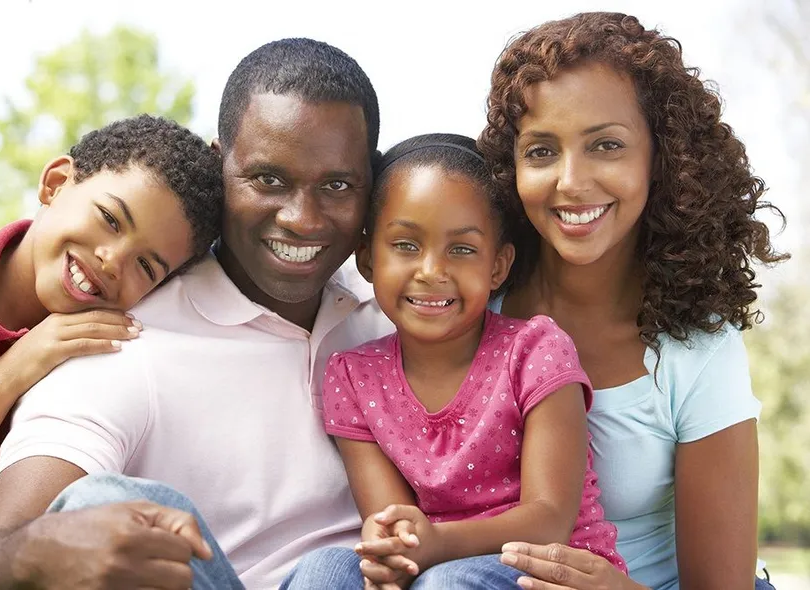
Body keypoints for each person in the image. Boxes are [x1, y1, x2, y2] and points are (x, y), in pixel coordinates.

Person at [0, 38, 391, 590]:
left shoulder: (404, 306)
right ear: (219, 164)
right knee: (97, 501)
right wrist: (41, 548)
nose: (302, 219)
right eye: (268, 179)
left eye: (337, 185)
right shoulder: (122, 345)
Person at [476, 12, 787, 590]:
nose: (571, 181)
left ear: (661, 158)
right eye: (541, 151)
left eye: (606, 146)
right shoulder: (476, 309)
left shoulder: (696, 346)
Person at [281, 133, 626, 590]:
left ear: (498, 267)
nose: (431, 271)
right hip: (430, 567)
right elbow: (389, 520)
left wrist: (435, 543)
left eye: (462, 250)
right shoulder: (352, 376)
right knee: (322, 571)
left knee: (447, 585)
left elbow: (549, 521)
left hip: (547, 570)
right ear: (367, 259)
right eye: (405, 245)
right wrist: (391, 550)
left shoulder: (534, 351)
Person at [0, 113, 224, 588]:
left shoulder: (114, 345)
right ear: (56, 183)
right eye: (109, 219)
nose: (112, 259)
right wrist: (14, 370)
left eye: (146, 266)